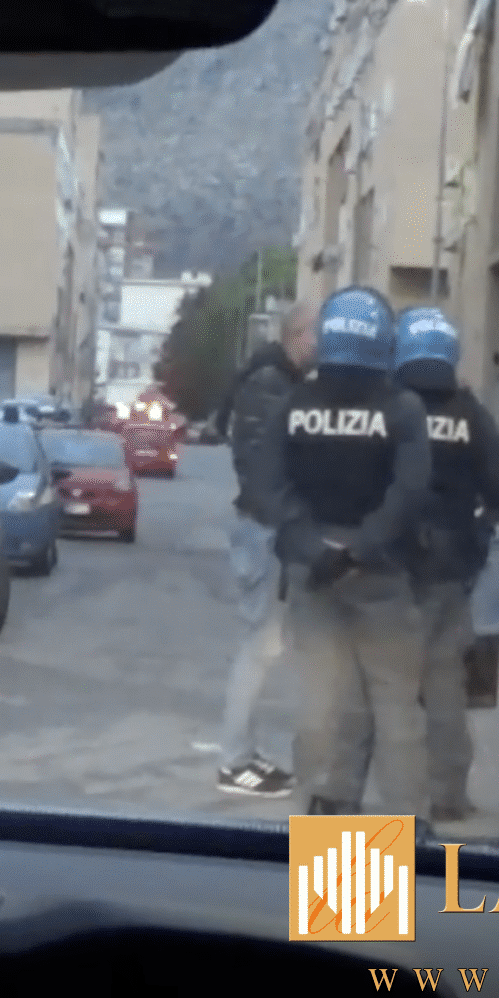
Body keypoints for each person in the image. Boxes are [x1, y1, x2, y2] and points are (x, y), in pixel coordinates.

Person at [259, 285, 433, 819]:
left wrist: (315, 548)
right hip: (383, 573)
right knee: (396, 706)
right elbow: (411, 490)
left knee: (324, 707)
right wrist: (364, 546)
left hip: (315, 574)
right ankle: (410, 829)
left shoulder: (292, 406)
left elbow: (270, 488)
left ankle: (327, 826)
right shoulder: (403, 408)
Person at [383, 309, 499, 823]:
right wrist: (479, 529)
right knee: (445, 681)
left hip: (394, 565)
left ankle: (401, 799)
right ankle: (447, 793)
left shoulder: (387, 408)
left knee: (390, 683)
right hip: (452, 565)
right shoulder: (470, 414)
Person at [205, 298, 319, 796]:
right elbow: (260, 466)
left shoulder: (277, 380)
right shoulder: (270, 384)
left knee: (265, 647)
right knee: (259, 648)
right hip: (263, 531)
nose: (324, 345)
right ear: (299, 335)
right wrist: (288, 520)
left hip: (266, 529)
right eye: (319, 334)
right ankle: (234, 763)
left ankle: (244, 756)